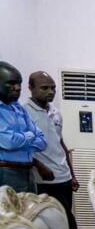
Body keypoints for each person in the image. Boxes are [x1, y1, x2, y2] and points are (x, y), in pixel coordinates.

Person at [23, 70, 88, 229]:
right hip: (43, 180)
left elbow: (61, 144)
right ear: (31, 89)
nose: (50, 92)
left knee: (68, 221)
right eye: (44, 88)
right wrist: (39, 165)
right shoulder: (25, 114)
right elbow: (24, 148)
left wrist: (72, 173)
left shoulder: (55, 113)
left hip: (63, 177)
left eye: (53, 88)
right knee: (49, 224)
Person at [0, 61, 46, 192]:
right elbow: (10, 142)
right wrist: (30, 135)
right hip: (6, 172)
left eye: (19, 83)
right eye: (11, 83)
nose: (18, 88)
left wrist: (20, 142)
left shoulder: (18, 108)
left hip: (27, 171)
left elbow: (42, 142)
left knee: (32, 205)